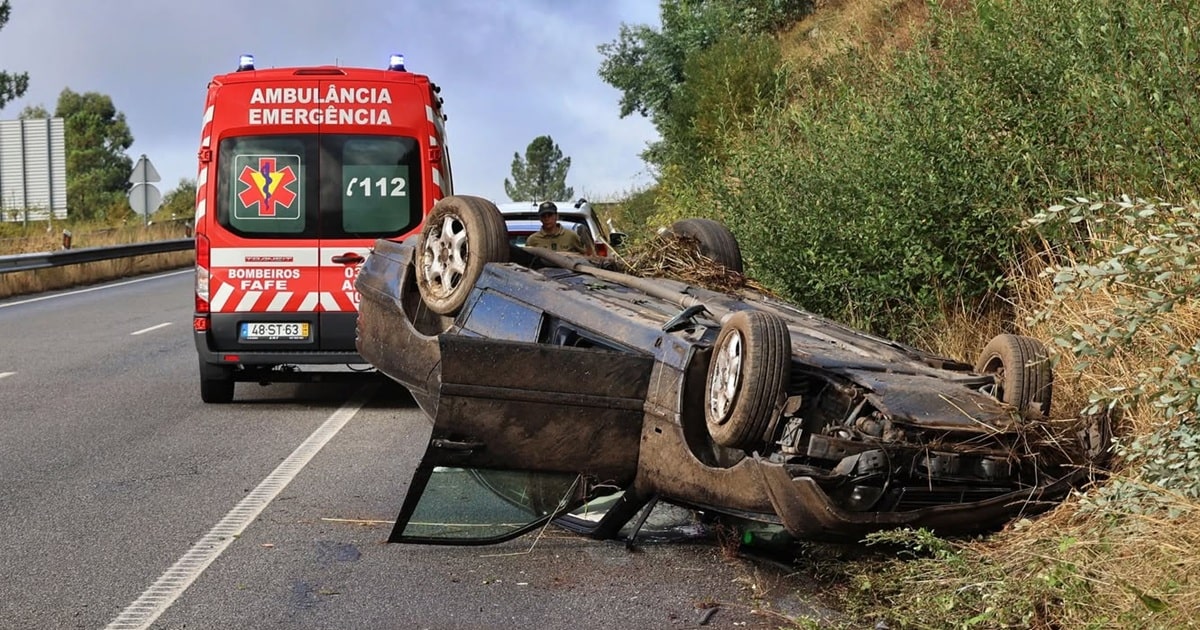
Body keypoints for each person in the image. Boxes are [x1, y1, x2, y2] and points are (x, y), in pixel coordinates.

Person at [524, 201, 593, 255]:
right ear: (540, 219)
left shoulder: (571, 236)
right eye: (543, 216)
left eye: (550, 215)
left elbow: (586, 256)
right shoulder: (532, 240)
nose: (547, 219)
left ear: (557, 216)